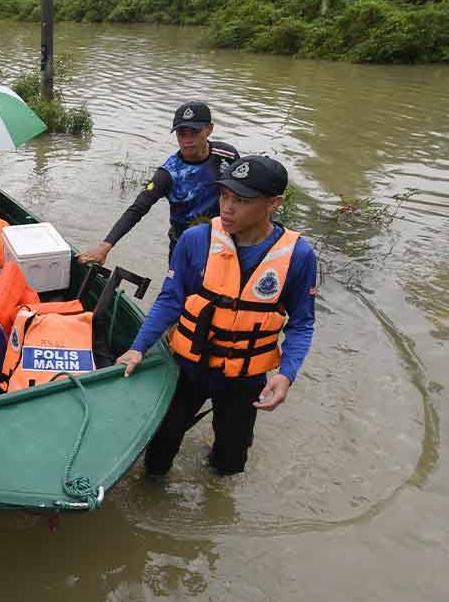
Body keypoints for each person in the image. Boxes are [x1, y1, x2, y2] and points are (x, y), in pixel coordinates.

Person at [118, 156, 317, 476]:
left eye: (241, 200)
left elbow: (302, 323)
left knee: (229, 463)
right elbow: (170, 300)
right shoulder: (195, 241)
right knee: (158, 454)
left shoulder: (298, 256)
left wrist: (286, 374)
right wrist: (137, 347)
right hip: (187, 370)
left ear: (273, 203)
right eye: (224, 195)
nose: (227, 207)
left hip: (244, 379)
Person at [79, 101, 239, 264]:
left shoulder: (227, 155)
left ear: (209, 129)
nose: (188, 140)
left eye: (194, 132)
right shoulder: (168, 174)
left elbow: (247, 194)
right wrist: (105, 247)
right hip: (185, 246)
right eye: (182, 133)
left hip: (225, 241)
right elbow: (137, 208)